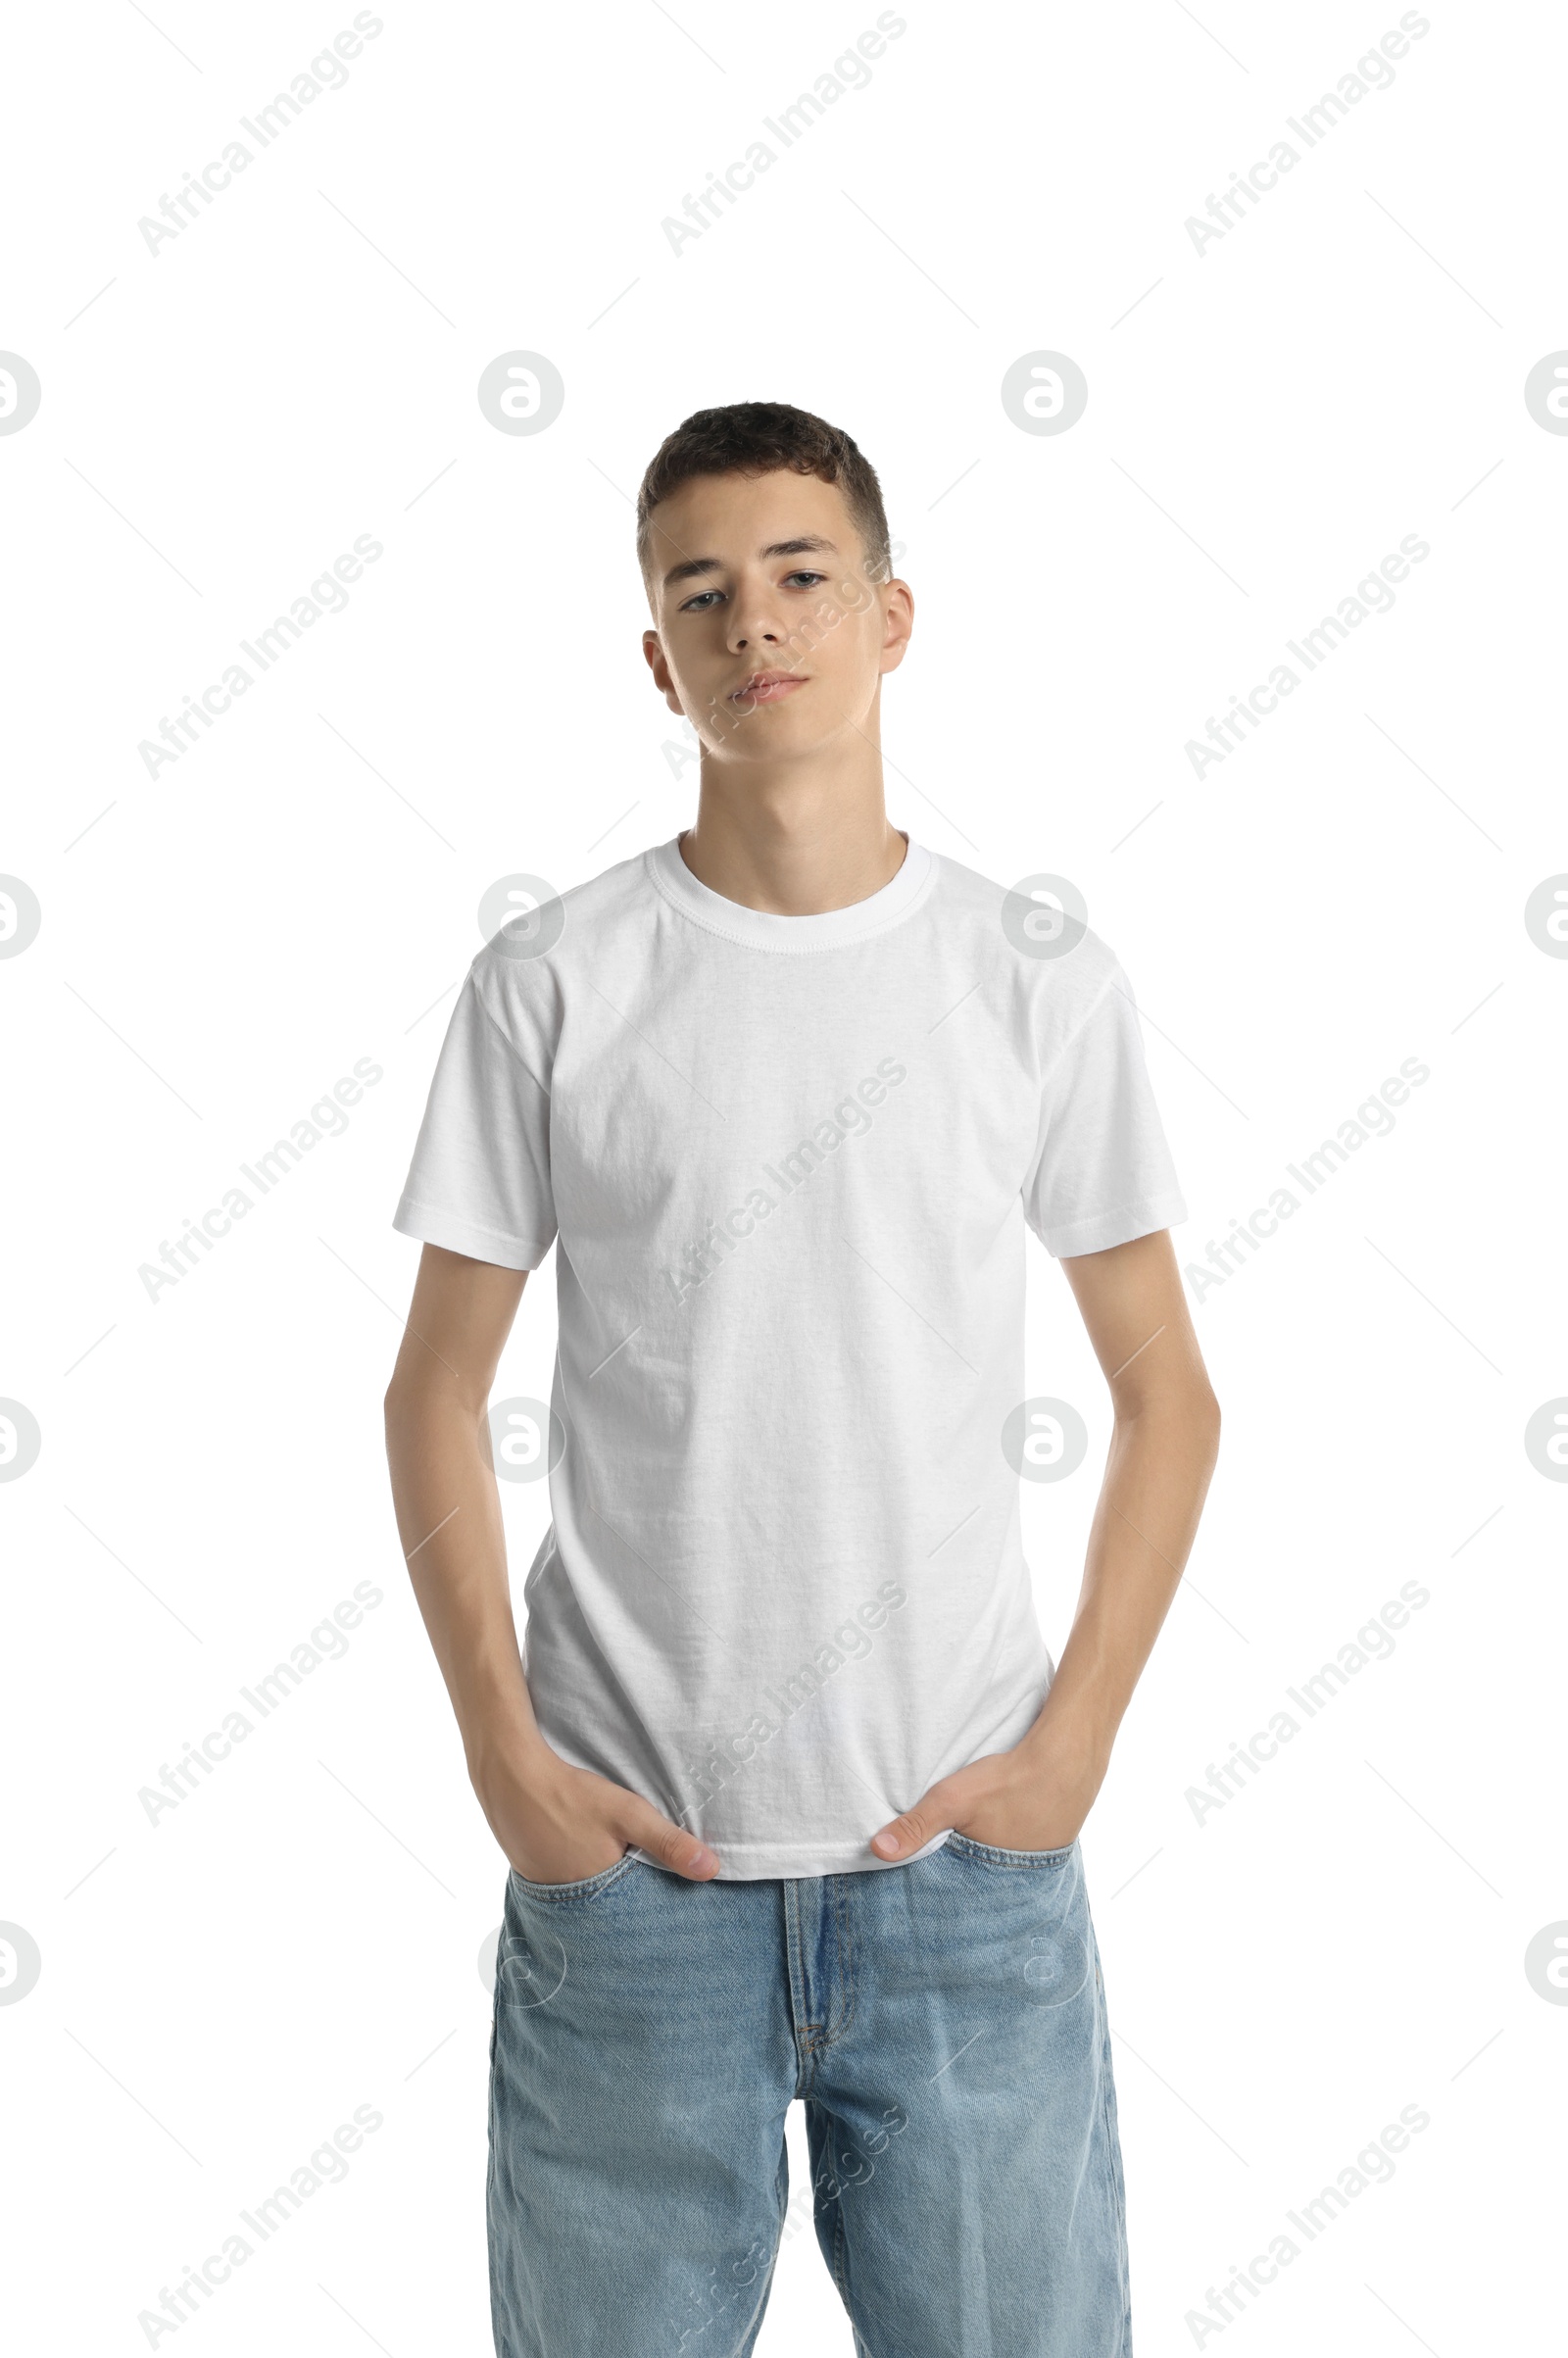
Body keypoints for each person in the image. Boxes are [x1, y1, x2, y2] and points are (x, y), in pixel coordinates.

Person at [383, 400, 1220, 2358]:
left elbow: (1166, 1388)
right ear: (653, 658)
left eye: (797, 575)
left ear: (889, 616)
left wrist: (1072, 1738)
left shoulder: (1029, 977)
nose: (752, 622)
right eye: (701, 591)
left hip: (957, 1868)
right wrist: (507, 1761)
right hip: (632, 1888)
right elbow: (435, 1389)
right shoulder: (558, 981)